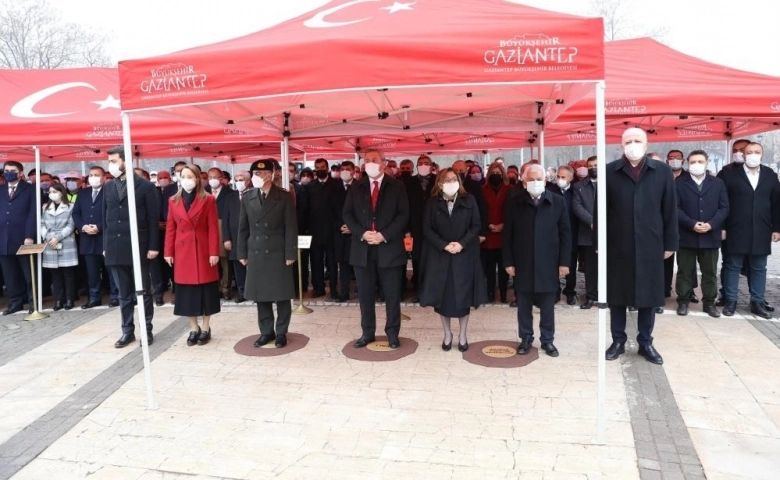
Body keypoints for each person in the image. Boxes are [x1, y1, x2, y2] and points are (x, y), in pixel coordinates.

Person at [603, 128, 678, 365]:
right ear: (621, 144)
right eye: (628, 141)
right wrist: (599, 244)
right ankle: (618, 340)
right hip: (618, 242)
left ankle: (646, 342)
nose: (632, 145)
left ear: (646, 144)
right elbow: (601, 211)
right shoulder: (610, 171)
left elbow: (669, 210)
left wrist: (670, 243)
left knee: (649, 293)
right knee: (617, 295)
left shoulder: (662, 171)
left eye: (637, 141)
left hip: (651, 242)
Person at [343, 148, 409, 349]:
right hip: (362, 248)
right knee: (365, 294)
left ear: (383, 163)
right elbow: (348, 214)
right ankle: (367, 332)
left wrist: (383, 235)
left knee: (391, 294)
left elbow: (403, 215)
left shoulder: (397, 186)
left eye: (374, 159)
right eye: (367, 160)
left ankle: (392, 334)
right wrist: (362, 233)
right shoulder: (356, 187)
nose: (370, 163)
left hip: (389, 248)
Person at [503, 164, 571, 357]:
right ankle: (526, 338)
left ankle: (547, 340)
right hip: (523, 262)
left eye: (538, 179)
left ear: (545, 181)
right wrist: (508, 262)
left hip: (548, 263)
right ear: (524, 182)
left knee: (548, 306)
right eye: (531, 179)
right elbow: (508, 234)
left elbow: (566, 234)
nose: (535, 182)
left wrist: (564, 262)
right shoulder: (515, 202)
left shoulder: (557, 202)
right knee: (523, 305)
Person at [419, 168, 487, 351]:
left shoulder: (469, 199)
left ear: (459, 181)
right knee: (444, 299)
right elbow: (426, 228)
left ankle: (463, 335)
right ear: (439, 183)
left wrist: (461, 244)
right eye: (446, 180)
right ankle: (447, 334)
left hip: (464, 255)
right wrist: (443, 245)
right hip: (441, 256)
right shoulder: (433, 202)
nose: (450, 182)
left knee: (463, 299)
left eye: (453, 179)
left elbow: (476, 225)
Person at [104, 146, 160, 348]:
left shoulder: (145, 187)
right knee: (123, 294)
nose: (110, 165)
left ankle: (146, 330)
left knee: (143, 291)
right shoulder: (108, 187)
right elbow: (106, 218)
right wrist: (106, 246)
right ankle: (127, 331)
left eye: (114, 161)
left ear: (126, 161)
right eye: (109, 161)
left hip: (139, 246)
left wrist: (153, 246)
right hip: (115, 246)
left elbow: (154, 219)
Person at [237, 159, 298, 348]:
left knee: (281, 294)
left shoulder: (284, 196)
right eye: (255, 173)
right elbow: (243, 228)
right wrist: (242, 252)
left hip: (277, 249)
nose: (259, 177)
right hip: (256, 251)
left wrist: (290, 253)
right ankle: (266, 331)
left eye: (263, 173)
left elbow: (291, 227)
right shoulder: (248, 197)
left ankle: (281, 332)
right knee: (261, 295)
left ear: (272, 174)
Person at [719, 141, 780, 318]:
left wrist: (777, 228)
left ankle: (757, 301)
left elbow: (776, 204)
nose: (753, 155)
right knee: (732, 265)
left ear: (762, 154)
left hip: (762, 229)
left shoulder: (770, 175)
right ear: (744, 155)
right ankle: (731, 300)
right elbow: (722, 203)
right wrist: (722, 227)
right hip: (735, 228)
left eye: (757, 152)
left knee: (759, 267)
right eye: (749, 152)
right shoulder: (730, 175)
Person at [164, 164, 220, 346]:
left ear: (197, 179)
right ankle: (193, 327)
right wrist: (168, 252)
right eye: (183, 176)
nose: (186, 179)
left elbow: (213, 227)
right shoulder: (173, 200)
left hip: (203, 250)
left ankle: (206, 327)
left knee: (206, 290)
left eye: (190, 176)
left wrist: (214, 252)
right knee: (187, 293)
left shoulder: (208, 199)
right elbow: (170, 228)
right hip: (183, 252)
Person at [675, 150, 729, 318]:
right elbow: (675, 208)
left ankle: (709, 303)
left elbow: (724, 207)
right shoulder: (679, 182)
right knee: (684, 271)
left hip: (710, 235)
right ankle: (683, 301)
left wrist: (711, 224)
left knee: (710, 272)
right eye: (693, 162)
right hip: (686, 235)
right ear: (687, 163)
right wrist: (691, 224)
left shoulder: (718, 183)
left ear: (706, 163)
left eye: (700, 161)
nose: (696, 165)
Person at [73, 166, 117, 308]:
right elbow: (76, 213)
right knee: (92, 271)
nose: (93, 177)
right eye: (91, 175)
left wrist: (99, 226)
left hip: (105, 237)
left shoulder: (110, 192)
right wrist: (83, 226)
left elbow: (113, 213)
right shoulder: (83, 193)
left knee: (110, 269)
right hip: (87, 238)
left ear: (104, 178)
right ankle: (94, 297)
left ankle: (115, 296)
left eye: (97, 175)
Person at [0, 161, 36, 315]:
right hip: (3, 238)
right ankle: (15, 302)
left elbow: (33, 214)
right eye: (6, 170)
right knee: (10, 275)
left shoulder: (31, 189)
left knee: (29, 273)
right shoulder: (1, 190)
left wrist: (29, 235)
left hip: (23, 237)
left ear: (21, 173)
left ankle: (34, 302)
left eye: (13, 170)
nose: (9, 173)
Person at [399, 155, 435, 299]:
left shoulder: (438, 181)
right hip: (415, 228)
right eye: (420, 163)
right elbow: (404, 207)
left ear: (431, 166)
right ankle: (419, 291)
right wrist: (407, 230)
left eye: (426, 163)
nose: (423, 165)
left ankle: (431, 291)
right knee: (417, 260)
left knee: (433, 261)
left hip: (434, 228)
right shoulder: (408, 182)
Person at [40, 183, 78, 310]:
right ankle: (58, 300)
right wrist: (49, 237)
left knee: (68, 273)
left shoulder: (70, 206)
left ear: (61, 192)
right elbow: (41, 224)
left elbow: (71, 225)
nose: (51, 194)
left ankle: (69, 299)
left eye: (54, 191)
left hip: (66, 242)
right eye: (50, 191)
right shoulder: (45, 207)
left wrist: (58, 237)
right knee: (55, 274)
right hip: (50, 243)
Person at [304, 158, 337, 299]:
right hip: (314, 231)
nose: (320, 170)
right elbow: (306, 209)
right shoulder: (310, 186)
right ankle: (319, 288)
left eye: (323, 167)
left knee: (332, 263)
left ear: (327, 168)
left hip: (332, 231)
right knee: (316, 262)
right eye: (317, 168)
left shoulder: (337, 184)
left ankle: (334, 289)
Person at [548, 165, 579, 305]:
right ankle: (555, 291)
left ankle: (570, 291)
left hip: (571, 233)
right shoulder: (551, 191)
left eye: (563, 177)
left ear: (571, 178)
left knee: (570, 264)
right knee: (553, 263)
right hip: (554, 233)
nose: (559, 179)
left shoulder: (575, 192)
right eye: (558, 176)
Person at [481, 161, 510, 303]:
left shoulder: (509, 188)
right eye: (493, 173)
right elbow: (480, 210)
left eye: (498, 173)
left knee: (504, 267)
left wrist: (504, 225)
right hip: (489, 234)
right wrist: (488, 225)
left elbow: (513, 210)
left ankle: (504, 294)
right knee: (489, 268)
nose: (495, 175)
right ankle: (490, 292)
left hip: (504, 234)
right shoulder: (483, 189)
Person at [573, 155, 598, 309]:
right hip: (588, 234)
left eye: (596, 165)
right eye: (590, 166)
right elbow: (577, 206)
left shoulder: (611, 183)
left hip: (609, 234)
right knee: (591, 268)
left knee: (609, 267)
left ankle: (607, 295)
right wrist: (591, 221)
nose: (593, 168)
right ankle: (591, 296)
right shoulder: (579, 186)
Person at [206, 167, 236, 300]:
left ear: (221, 178)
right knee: (211, 259)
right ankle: (214, 286)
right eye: (210, 177)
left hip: (222, 225)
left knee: (224, 260)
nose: (212, 180)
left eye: (215, 177)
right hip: (207, 227)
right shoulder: (203, 192)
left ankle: (225, 287)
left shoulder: (230, 193)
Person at [329, 161, 356, 302]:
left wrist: (353, 227)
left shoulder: (360, 186)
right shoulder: (333, 187)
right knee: (343, 265)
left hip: (357, 233)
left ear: (354, 171)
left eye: (348, 169)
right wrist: (340, 225)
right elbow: (329, 211)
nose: (345, 171)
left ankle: (364, 292)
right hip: (339, 233)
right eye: (343, 169)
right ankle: (344, 293)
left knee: (359, 265)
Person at [223, 170, 251, 303]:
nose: (239, 182)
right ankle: (242, 292)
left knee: (253, 266)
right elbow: (225, 219)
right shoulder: (230, 197)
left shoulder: (254, 194)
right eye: (237, 179)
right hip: (234, 238)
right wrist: (226, 238)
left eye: (242, 179)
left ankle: (254, 291)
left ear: (248, 180)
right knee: (238, 267)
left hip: (252, 237)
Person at [150, 170, 177, 305]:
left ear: (170, 178)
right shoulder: (153, 190)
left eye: (165, 177)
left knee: (172, 263)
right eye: (160, 178)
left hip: (171, 231)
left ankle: (176, 289)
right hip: (155, 233)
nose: (162, 180)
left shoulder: (174, 189)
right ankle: (158, 293)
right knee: (156, 266)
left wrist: (168, 223)